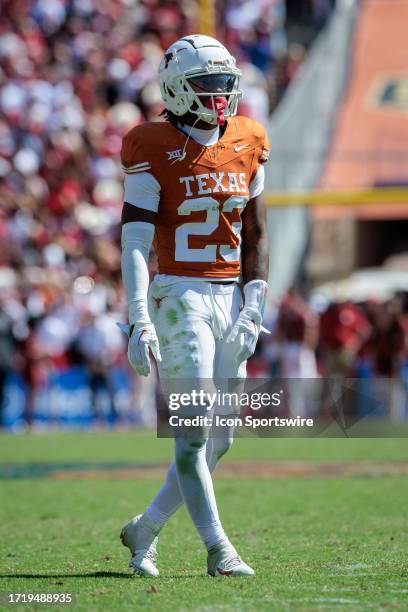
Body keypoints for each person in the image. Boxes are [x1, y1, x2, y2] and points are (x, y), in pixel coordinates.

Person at [119, 34, 269, 577]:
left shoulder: (249, 137)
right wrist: (138, 317)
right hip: (180, 295)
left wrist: (254, 302)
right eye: (208, 83)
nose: (221, 94)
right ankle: (219, 550)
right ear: (178, 88)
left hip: (230, 295)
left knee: (221, 438)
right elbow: (135, 242)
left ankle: (145, 530)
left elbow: (257, 233)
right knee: (194, 432)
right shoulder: (150, 143)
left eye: (227, 82)